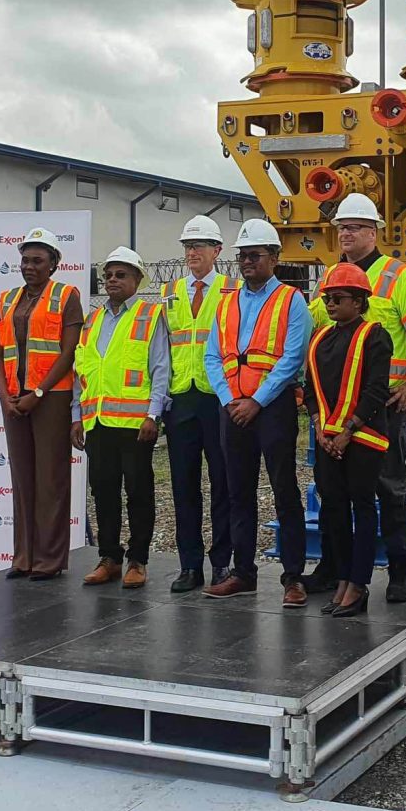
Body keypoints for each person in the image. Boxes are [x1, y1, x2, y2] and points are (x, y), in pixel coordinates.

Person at [305, 193, 406, 602]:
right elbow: (318, 327)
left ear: (373, 232)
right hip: (336, 413)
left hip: (385, 408)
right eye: (341, 228)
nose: (345, 234)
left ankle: (402, 571)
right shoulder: (333, 275)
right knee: (333, 492)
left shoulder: (397, 276)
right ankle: (334, 567)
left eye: (353, 227)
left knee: (388, 487)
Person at [202, 219, 312, 607]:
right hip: (232, 407)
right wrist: (230, 398)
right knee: (237, 492)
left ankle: (293, 577)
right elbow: (212, 356)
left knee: (284, 490)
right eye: (243, 256)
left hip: (272, 407)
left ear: (275, 259)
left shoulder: (291, 301)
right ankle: (243, 572)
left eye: (255, 255)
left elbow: (291, 359)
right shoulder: (226, 301)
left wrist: (256, 401)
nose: (247, 262)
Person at [0, 226, 84, 581]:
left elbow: (68, 351)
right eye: (25, 260)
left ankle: (48, 560)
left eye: (38, 260)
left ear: (54, 264)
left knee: (50, 480)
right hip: (13, 400)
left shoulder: (66, 296)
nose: (29, 266)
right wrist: (5, 397)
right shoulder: (7, 299)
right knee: (23, 480)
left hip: (50, 399)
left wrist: (38, 393)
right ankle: (24, 557)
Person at [72, 247, 170, 590]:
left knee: (139, 493)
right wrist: (76, 417)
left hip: (135, 425)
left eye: (121, 274)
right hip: (97, 423)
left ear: (137, 280)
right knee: (104, 491)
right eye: (109, 275)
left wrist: (153, 415)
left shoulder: (149, 315)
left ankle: (138, 561)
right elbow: (81, 372)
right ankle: (109, 557)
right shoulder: (93, 320)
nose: (113, 280)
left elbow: (160, 368)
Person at [303, 264, 392, 618]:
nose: (329, 303)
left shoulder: (375, 336)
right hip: (329, 440)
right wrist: (321, 429)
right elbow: (310, 390)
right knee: (334, 510)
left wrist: (347, 430)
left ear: (359, 301)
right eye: (326, 298)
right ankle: (342, 578)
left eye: (337, 298)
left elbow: (376, 388)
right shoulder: (321, 338)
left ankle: (359, 583)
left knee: (363, 507)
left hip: (363, 439)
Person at [161, 215, 239, 593]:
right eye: (187, 246)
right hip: (181, 399)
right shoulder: (170, 291)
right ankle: (189, 565)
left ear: (217, 251)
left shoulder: (231, 291)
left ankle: (222, 563)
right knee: (183, 485)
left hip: (219, 399)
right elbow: (161, 347)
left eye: (199, 246)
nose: (192, 252)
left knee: (224, 484)